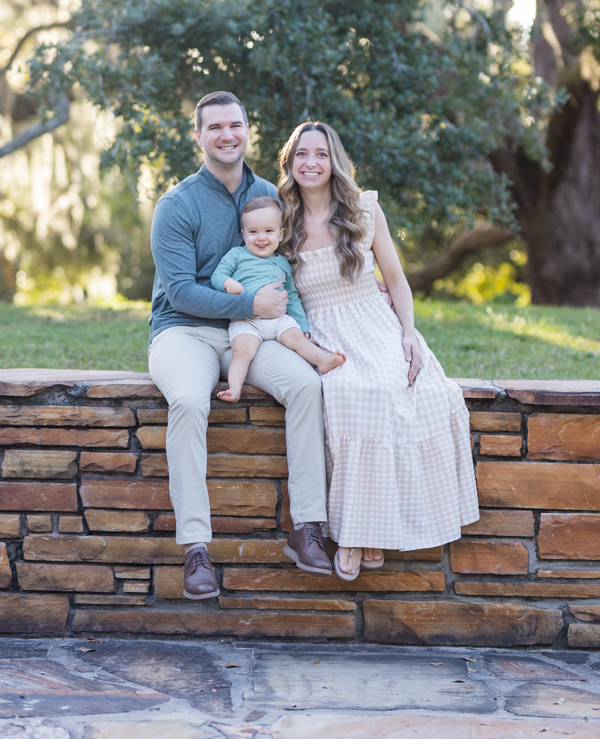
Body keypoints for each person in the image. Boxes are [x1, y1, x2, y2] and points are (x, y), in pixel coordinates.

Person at [148, 92, 332, 602]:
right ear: (199, 136)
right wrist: (251, 301)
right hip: (183, 330)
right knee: (187, 399)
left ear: (248, 130)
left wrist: (369, 282)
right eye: (215, 127)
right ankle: (196, 548)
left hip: (253, 333)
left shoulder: (273, 193)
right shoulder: (177, 204)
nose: (227, 135)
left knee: (304, 385)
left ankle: (308, 528)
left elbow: (302, 258)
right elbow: (181, 289)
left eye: (236, 125)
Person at [278, 120, 479, 580]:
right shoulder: (281, 215)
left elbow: (395, 278)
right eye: (302, 155)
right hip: (322, 331)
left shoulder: (364, 209)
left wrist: (408, 333)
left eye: (321, 154)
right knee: (350, 396)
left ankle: (364, 533)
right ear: (290, 163)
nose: (311, 163)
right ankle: (358, 533)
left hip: (375, 322)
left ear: (335, 161)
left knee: (404, 391)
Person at [211, 195, 345, 403]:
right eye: (253, 232)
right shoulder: (237, 255)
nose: (261, 238)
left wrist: (302, 325)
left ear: (281, 234)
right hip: (246, 321)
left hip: (278, 320)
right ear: (243, 234)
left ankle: (322, 360)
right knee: (242, 351)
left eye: (269, 231)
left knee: (297, 339)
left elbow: (291, 297)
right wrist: (228, 283)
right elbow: (217, 276)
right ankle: (234, 389)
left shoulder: (283, 263)